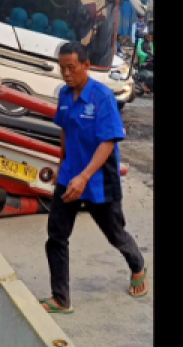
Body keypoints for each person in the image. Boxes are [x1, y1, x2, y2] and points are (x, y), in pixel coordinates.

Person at [39, 42, 148, 314]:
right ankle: (60, 299)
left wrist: (84, 177)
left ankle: (137, 265)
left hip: (100, 179)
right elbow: (64, 130)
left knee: (115, 234)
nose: (65, 73)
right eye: (62, 68)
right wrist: (62, 166)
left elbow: (108, 142)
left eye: (71, 68)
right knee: (56, 235)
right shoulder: (64, 95)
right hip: (70, 176)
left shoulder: (102, 97)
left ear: (86, 66)